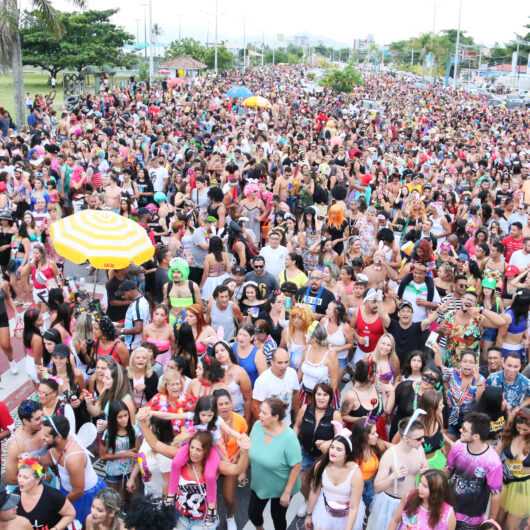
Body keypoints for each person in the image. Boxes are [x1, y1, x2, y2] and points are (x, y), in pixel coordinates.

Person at [366, 414, 428, 530]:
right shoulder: (390, 455)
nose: (423, 440)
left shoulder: (419, 449)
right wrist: (393, 476)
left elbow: (425, 470)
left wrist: (425, 472)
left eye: (423, 437)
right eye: (419, 438)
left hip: (411, 503)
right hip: (391, 504)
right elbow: (377, 487)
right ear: (405, 439)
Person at [41, 415, 106, 524]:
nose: (42, 438)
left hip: (85, 496)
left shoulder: (74, 458)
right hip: (67, 491)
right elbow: (45, 462)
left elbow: (78, 491)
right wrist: (39, 471)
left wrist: (60, 506)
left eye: (46, 436)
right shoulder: (54, 446)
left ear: (58, 437)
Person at [248, 398, 302, 530]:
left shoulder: (289, 437)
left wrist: (287, 492)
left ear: (276, 417)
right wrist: (243, 471)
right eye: (260, 411)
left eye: (264, 413)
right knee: (253, 514)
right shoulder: (257, 426)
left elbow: (296, 465)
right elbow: (249, 447)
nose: (259, 414)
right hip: (260, 482)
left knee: (277, 517)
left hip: (281, 486)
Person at [447, 412, 503, 529]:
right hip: (448, 509)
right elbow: (448, 469)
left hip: (471, 520)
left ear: (476, 436)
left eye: (464, 430)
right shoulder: (458, 446)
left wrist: (490, 522)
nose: (460, 430)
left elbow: (496, 495)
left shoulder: (493, 462)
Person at [294, 383, 342, 518]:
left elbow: (340, 438)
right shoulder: (305, 409)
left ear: (330, 397)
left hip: (324, 456)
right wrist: (294, 443)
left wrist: (327, 443)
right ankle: (307, 500)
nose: (321, 398)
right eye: (318, 394)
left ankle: (319, 506)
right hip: (305, 452)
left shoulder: (335, 414)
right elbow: (297, 427)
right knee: (302, 483)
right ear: (314, 396)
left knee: (320, 484)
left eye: (325, 395)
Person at [305, 428, 365, 530]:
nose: (333, 451)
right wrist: (309, 515)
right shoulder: (321, 466)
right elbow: (314, 491)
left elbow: (354, 507)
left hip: (346, 517)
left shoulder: (355, 474)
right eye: (332, 447)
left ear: (347, 453)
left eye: (339, 449)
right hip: (324, 511)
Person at [16, 457, 76, 530]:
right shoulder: (15, 495)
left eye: (25, 477)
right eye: (19, 476)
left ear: (37, 480)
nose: (20, 480)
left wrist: (55, 528)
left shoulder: (53, 496)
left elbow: (70, 514)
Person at [388, 469, 456, 530]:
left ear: (436, 492)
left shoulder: (448, 514)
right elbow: (395, 520)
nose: (419, 487)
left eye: (425, 486)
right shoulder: (409, 497)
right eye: (420, 482)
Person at [497, 407, 530, 530]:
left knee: (511, 526)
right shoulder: (510, 435)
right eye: (519, 427)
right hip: (505, 483)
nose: (521, 432)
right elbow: (496, 453)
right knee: (497, 520)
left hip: (522, 488)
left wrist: (512, 466)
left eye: (525, 429)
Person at [252, 348, 300, 425]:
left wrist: (297, 417)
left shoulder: (292, 373)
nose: (284, 366)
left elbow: (296, 395)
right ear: (272, 362)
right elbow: (255, 405)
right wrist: (265, 424)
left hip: (287, 423)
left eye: (286, 362)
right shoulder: (262, 380)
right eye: (280, 363)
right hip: (270, 425)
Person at [5, 401, 44, 485]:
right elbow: (11, 478)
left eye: (42, 416)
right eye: (37, 419)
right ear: (25, 421)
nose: (42, 420)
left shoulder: (42, 427)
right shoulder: (16, 445)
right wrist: (40, 478)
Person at [117, 280, 150, 353]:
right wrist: (122, 325)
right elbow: (134, 320)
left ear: (130, 291)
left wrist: (120, 331)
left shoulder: (138, 305)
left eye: (123, 294)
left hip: (133, 347)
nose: (122, 297)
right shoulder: (139, 301)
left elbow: (138, 329)